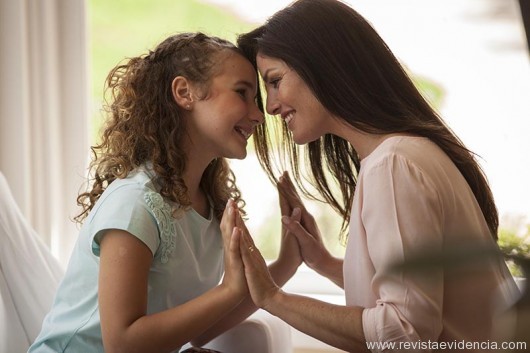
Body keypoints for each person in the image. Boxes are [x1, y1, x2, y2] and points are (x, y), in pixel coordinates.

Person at [234, 0, 520, 352]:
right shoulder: (399, 154)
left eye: (275, 82)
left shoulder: (393, 164)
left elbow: (405, 332)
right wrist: (321, 263)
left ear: (322, 66)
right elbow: (413, 301)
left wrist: (272, 297)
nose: (271, 106)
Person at [27, 32, 297, 353]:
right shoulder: (135, 203)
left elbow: (201, 329)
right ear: (185, 92)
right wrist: (227, 290)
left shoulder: (211, 206)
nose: (257, 114)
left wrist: (287, 263)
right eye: (242, 93)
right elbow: (122, 343)